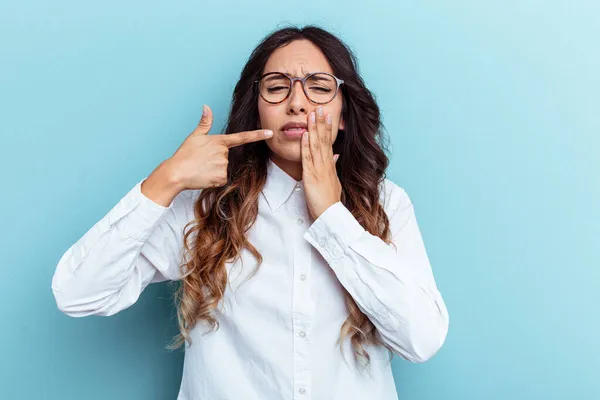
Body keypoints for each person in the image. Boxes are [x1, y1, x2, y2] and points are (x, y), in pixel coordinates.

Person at [51, 25, 449, 400]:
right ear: (256, 108)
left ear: (344, 114)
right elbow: (77, 294)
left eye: (319, 87)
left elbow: (421, 339)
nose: (296, 103)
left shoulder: (386, 203)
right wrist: (165, 180)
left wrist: (331, 216)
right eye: (277, 87)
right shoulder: (206, 206)